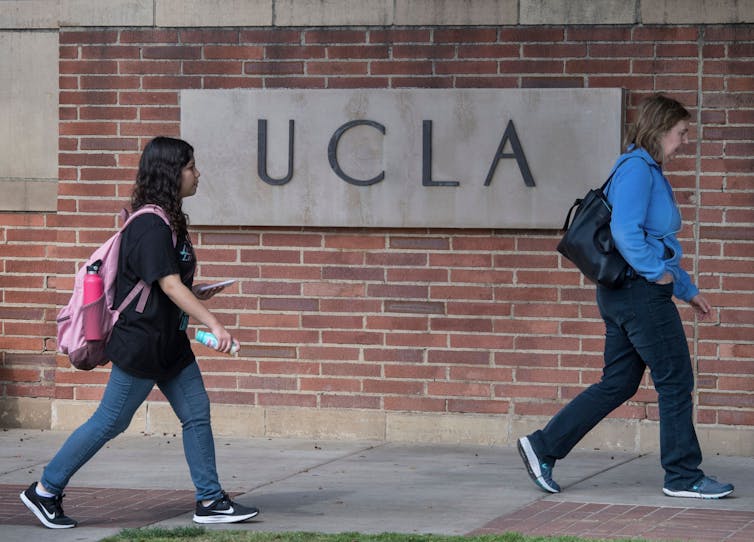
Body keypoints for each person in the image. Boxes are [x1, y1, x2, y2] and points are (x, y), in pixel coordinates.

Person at [20, 137, 260, 528]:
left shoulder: (167, 220)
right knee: (110, 421)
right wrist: (213, 322)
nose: (197, 174)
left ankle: (211, 500)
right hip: (141, 343)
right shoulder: (149, 223)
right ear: (170, 172)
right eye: (190, 167)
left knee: (196, 413)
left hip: (168, 344)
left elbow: (161, 285)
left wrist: (196, 293)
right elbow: (166, 284)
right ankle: (44, 490)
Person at [517, 94, 734, 499]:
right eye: (681, 132)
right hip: (638, 293)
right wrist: (658, 277)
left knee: (618, 382)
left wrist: (687, 290)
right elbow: (626, 233)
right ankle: (683, 476)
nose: (685, 141)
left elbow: (655, 240)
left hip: (625, 292)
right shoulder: (638, 171)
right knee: (675, 381)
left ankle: (543, 446)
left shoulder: (643, 169)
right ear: (660, 128)